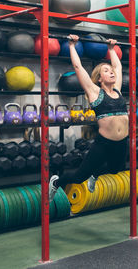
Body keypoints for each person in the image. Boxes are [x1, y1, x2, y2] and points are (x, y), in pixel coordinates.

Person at [49, 35, 128, 201]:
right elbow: (78, 67)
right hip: (104, 143)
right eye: (106, 71)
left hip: (122, 141)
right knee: (79, 177)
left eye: (111, 70)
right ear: (99, 79)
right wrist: (72, 46)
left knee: (115, 169)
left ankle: (95, 175)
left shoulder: (118, 90)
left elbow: (118, 67)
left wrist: (112, 49)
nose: (111, 72)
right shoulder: (94, 92)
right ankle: (57, 182)